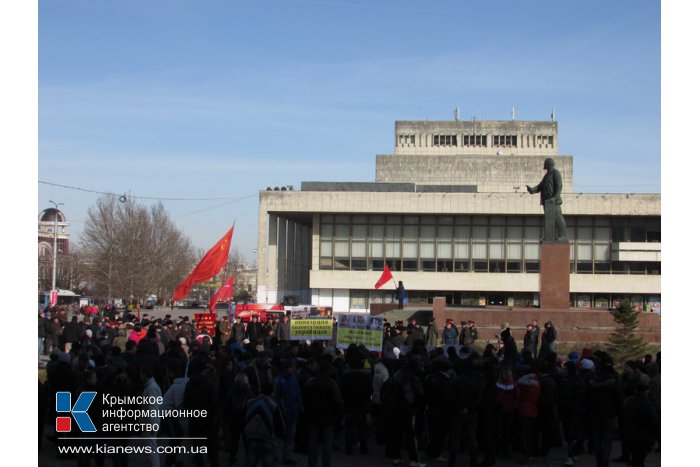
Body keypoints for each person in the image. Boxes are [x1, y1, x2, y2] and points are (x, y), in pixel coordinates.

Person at [303, 360, 344, 467]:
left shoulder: (310, 382)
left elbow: (305, 399)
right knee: (327, 444)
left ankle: (312, 464)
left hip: (313, 416)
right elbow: (337, 401)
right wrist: (338, 415)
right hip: (328, 417)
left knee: (313, 443)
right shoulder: (332, 384)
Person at [244, 381, 286, 467]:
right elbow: (280, 425)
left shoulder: (250, 402)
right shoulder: (273, 405)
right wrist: (280, 436)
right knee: (268, 461)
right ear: (272, 392)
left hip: (252, 436)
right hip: (268, 439)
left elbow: (244, 418)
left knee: (251, 461)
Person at [526, 157, 568, 242]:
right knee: (549, 220)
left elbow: (559, 186)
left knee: (558, 218)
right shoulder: (546, 175)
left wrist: (555, 197)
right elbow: (540, 186)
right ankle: (549, 238)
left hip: (554, 201)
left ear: (548, 164)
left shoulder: (556, 173)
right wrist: (532, 190)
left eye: (545, 163)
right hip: (547, 202)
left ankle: (563, 236)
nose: (543, 165)